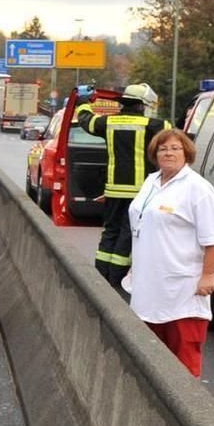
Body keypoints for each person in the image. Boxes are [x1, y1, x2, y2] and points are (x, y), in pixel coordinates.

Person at [125, 128, 214, 377]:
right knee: (150, 363)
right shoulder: (151, 182)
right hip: (148, 289)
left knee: (183, 365)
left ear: (186, 153)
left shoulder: (198, 189)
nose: (168, 153)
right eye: (163, 148)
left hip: (183, 291)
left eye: (175, 148)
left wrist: (208, 275)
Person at [77, 82, 166, 293]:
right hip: (140, 193)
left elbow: (85, 121)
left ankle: (100, 275)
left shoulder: (107, 123)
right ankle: (116, 281)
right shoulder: (155, 126)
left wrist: (83, 102)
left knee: (110, 231)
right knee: (128, 233)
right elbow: (181, 134)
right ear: (142, 105)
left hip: (113, 189)